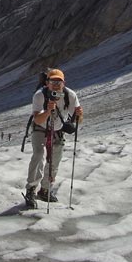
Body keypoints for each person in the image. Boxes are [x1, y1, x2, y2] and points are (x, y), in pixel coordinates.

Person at [24, 68, 83, 207]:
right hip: (41, 128)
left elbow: (78, 120)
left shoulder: (70, 95)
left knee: (55, 160)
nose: (56, 84)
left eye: (59, 81)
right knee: (38, 155)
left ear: (64, 83)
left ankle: (45, 189)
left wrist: (79, 115)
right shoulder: (40, 95)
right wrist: (48, 111)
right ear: (47, 83)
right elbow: (37, 119)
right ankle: (31, 189)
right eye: (53, 81)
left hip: (57, 129)